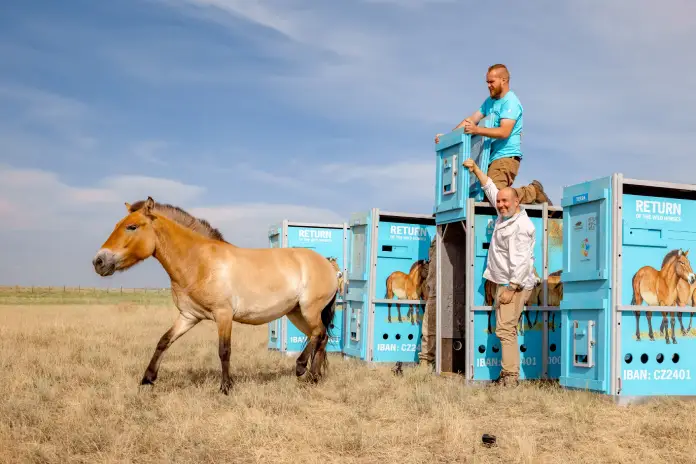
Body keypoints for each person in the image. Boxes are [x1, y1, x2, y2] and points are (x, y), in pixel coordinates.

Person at [463, 157, 537, 387]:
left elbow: (522, 262)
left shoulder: (521, 227)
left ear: (517, 202)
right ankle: (508, 375)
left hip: (513, 284)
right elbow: (491, 188)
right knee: (505, 328)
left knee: (505, 329)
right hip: (502, 281)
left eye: (506, 202)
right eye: (500, 202)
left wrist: (510, 288)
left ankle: (510, 378)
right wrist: (475, 169)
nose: (501, 204)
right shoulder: (505, 213)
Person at [435, 63, 551, 205]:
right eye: (487, 82)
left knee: (496, 196)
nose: (488, 85)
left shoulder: (511, 102)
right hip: (488, 158)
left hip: (505, 157)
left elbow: (504, 131)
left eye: (491, 82)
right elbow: (471, 120)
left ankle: (533, 191)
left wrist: (477, 130)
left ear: (503, 80)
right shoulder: (489, 102)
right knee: (485, 196)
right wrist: (448, 138)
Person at [418, 237, 436, 369]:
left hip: (436, 291)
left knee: (429, 327)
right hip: (436, 291)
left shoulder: (438, 237)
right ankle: (427, 361)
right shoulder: (438, 236)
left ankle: (427, 361)